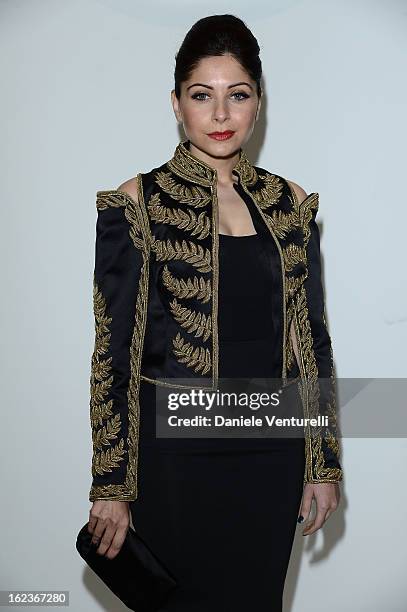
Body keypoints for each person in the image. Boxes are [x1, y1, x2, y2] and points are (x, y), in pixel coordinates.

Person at [86, 14, 342, 611]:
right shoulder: (138, 202)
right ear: (176, 103)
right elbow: (112, 352)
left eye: (238, 95)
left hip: (270, 456)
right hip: (173, 460)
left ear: (259, 103)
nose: (221, 115)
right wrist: (111, 484)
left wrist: (321, 463)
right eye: (203, 96)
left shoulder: (289, 203)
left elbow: (312, 341)